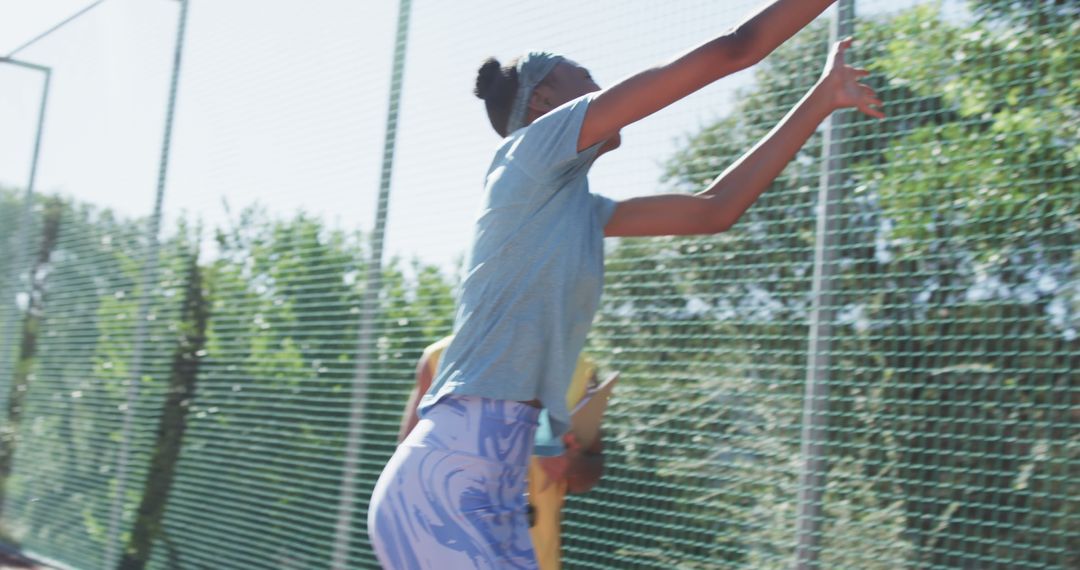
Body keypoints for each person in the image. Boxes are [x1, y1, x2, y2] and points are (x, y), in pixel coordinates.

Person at [368, 0, 884, 567]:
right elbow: (736, 49)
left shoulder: (574, 209)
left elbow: (714, 209)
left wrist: (822, 97)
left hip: (495, 494)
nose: (600, 87)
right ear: (544, 102)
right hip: (443, 489)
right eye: (585, 79)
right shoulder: (528, 152)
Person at [397, 336, 606, 570]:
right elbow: (407, 474)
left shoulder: (581, 371)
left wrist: (572, 465)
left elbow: (592, 471)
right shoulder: (440, 359)